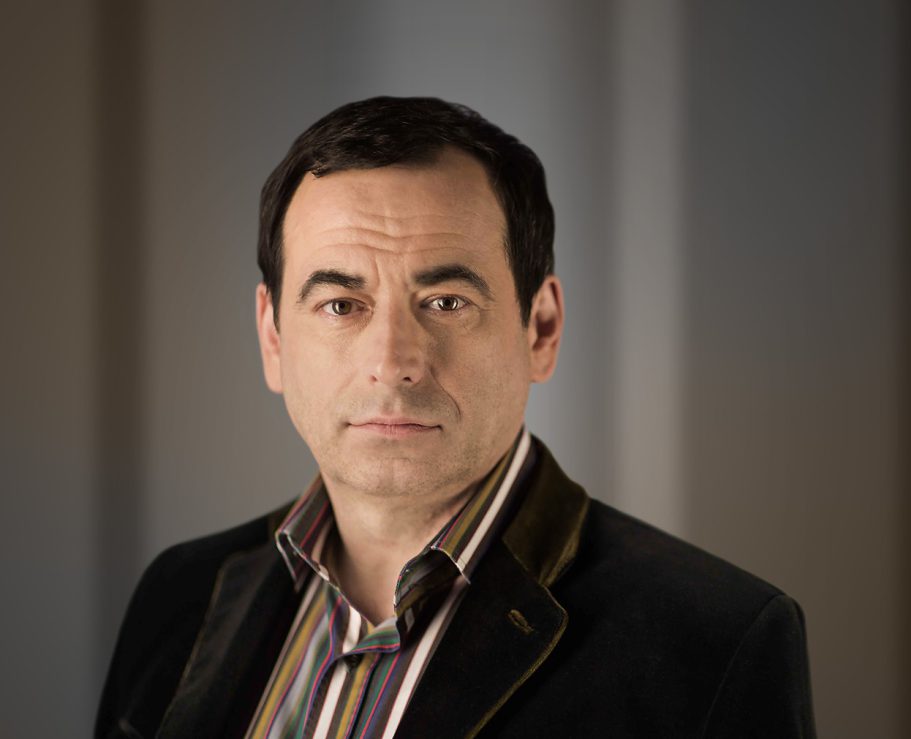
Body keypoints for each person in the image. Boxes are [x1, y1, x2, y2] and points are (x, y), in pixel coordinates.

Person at [96, 96, 815, 739]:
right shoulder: (179, 596)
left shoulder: (716, 645)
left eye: (446, 302)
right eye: (341, 304)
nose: (392, 361)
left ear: (541, 329)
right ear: (273, 338)